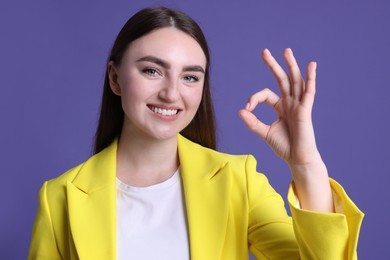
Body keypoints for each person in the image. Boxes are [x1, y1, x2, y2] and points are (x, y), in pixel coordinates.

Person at [28, 6, 364, 260]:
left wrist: (305, 164)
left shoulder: (238, 180)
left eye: (190, 77)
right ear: (115, 79)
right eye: (152, 70)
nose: (171, 94)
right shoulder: (59, 196)